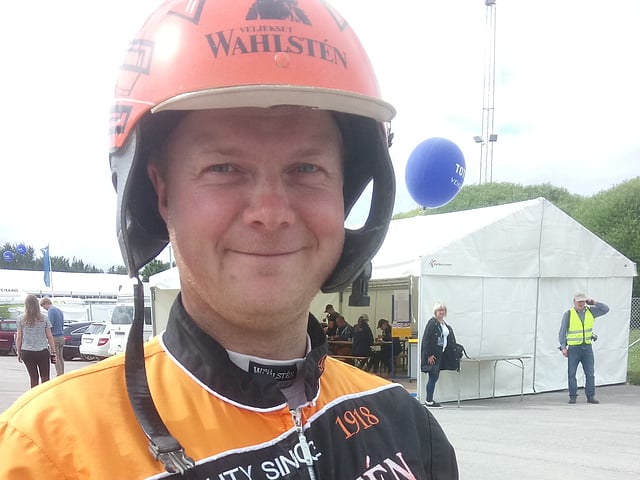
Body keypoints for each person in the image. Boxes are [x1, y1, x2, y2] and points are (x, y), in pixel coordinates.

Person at [0, 1, 459, 478]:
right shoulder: (45, 454)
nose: (271, 213)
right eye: (224, 168)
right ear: (160, 192)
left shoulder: (405, 427)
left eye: (306, 168)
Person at [558, 292, 609, 404]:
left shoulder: (591, 311)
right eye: (579, 301)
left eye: (582, 301)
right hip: (574, 348)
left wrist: (594, 302)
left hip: (587, 347)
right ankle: (573, 396)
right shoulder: (568, 314)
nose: (581, 303)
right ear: (574, 302)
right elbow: (562, 331)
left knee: (590, 374)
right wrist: (563, 347)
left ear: (585, 301)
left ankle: (590, 396)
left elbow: (606, 309)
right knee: (572, 373)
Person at [420, 303, 460, 408]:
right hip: (433, 355)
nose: (441, 312)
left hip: (441, 354)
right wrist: (429, 355)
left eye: (443, 310)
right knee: (433, 376)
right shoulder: (432, 323)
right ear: (435, 312)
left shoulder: (443, 324)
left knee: (435, 376)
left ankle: (429, 400)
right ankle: (428, 401)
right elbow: (426, 339)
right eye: (439, 310)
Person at [15, 294, 57, 388]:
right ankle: (45, 395)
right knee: (45, 377)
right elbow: (49, 336)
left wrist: (18, 352)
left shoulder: (21, 319)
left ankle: (34, 396)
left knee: (33, 377)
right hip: (42, 351)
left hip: (27, 351)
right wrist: (53, 352)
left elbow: (19, 337)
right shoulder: (44, 318)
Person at [40, 297, 65, 376]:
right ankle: (62, 373)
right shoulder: (58, 310)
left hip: (55, 337)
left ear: (46, 303)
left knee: (55, 356)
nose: (44, 308)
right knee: (60, 357)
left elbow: (50, 325)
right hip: (61, 336)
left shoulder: (51, 310)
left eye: (43, 306)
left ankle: (59, 374)